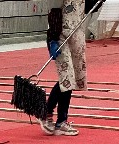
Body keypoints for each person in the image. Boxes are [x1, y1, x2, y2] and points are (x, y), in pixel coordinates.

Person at [40, 0, 87, 137]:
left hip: (76, 36)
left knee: (72, 78)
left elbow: (88, 7)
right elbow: (54, 12)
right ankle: (48, 112)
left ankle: (60, 120)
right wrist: (53, 40)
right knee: (67, 77)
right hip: (60, 37)